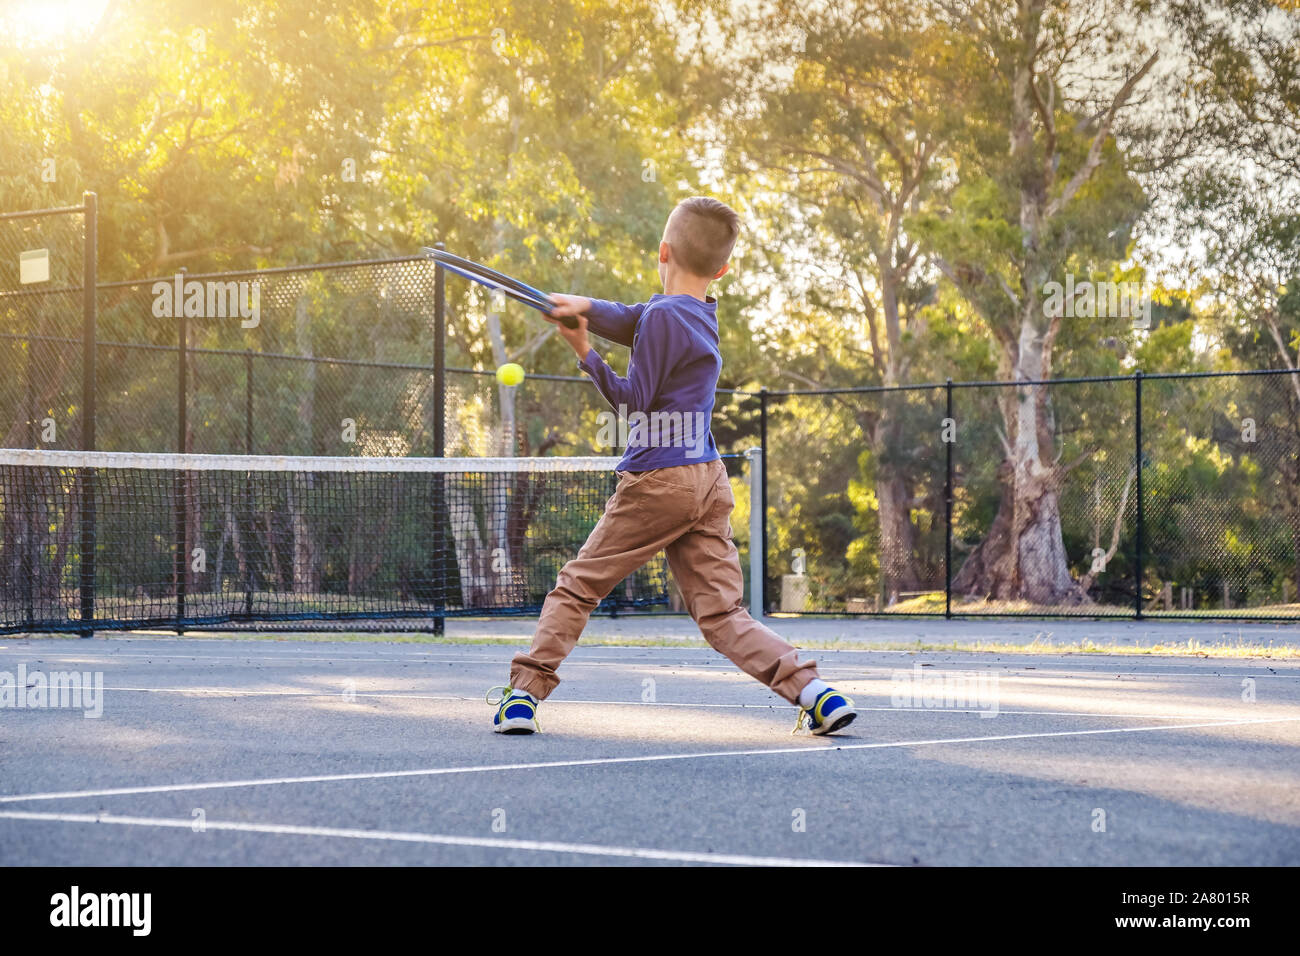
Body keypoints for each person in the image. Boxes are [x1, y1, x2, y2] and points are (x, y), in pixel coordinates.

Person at [487, 197, 856, 737]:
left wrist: (585, 351)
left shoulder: (662, 317)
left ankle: (522, 697)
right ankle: (814, 692)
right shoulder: (700, 315)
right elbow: (636, 317)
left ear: (662, 251)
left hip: (658, 480)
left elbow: (634, 403)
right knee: (723, 614)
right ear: (722, 270)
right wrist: (582, 304)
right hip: (706, 481)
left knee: (576, 586)